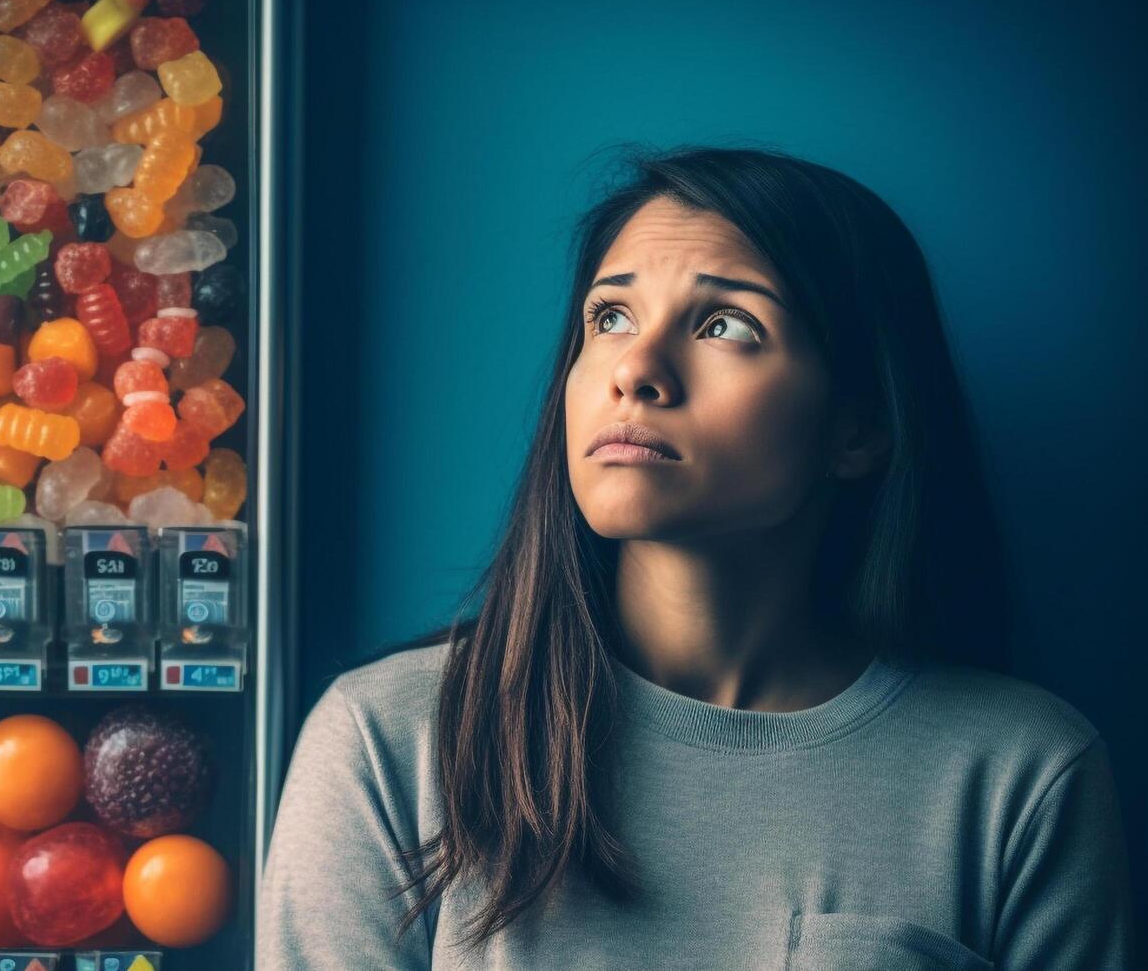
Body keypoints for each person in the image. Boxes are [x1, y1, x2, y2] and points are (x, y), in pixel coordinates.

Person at [257, 146, 1138, 969]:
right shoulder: (389, 742)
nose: (634, 369)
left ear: (859, 426)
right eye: (608, 316)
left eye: (724, 323)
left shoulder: (1022, 774)